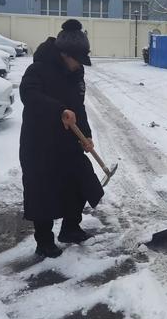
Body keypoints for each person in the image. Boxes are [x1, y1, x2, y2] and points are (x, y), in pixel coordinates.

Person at [20, 19, 104, 258]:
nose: (79, 66)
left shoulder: (76, 73)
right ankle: (44, 242)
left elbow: (79, 107)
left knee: (79, 183)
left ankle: (70, 228)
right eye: (77, 60)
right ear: (64, 54)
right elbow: (30, 95)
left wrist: (86, 135)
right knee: (42, 192)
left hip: (69, 140)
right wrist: (58, 110)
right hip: (40, 143)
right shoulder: (38, 69)